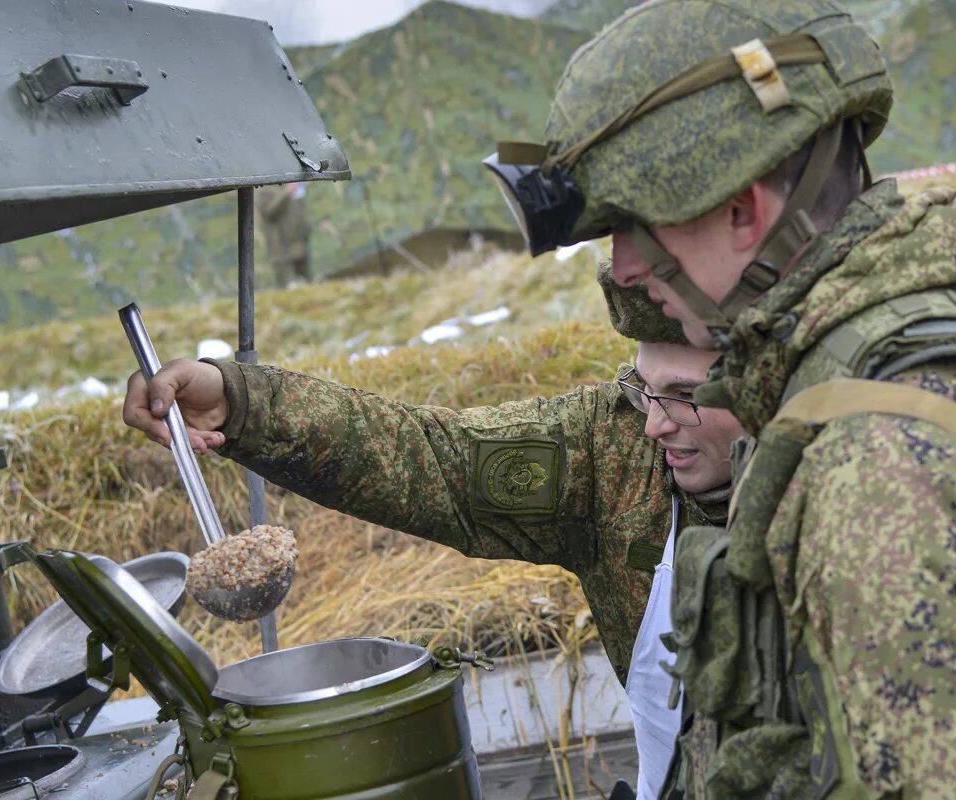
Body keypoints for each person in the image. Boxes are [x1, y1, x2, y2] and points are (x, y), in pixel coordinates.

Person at [482, 1, 956, 798]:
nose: (626, 268)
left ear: (743, 210)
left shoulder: (880, 468)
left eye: (634, 225)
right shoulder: (918, 336)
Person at [122, 267, 744, 800]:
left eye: (686, 396)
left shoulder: (830, 473)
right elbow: (426, 457)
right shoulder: (613, 455)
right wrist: (240, 404)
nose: (657, 425)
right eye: (644, 390)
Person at [255, 182, 311, 287]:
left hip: (299, 245)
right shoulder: (264, 189)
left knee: (307, 286)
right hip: (281, 250)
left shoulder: (292, 183)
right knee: (288, 288)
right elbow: (268, 212)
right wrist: (287, 192)